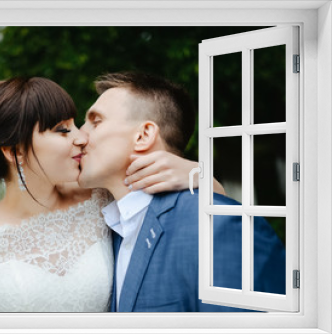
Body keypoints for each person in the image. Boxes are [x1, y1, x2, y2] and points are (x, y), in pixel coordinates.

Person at [0, 77, 215, 312]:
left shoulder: (101, 198)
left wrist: (193, 172)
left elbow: (212, 204)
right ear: (14, 151)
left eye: (75, 124)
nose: (81, 137)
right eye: (62, 130)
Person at [77, 71, 286, 312]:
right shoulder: (107, 234)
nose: (80, 136)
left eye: (95, 121)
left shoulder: (217, 226)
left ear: (143, 135)